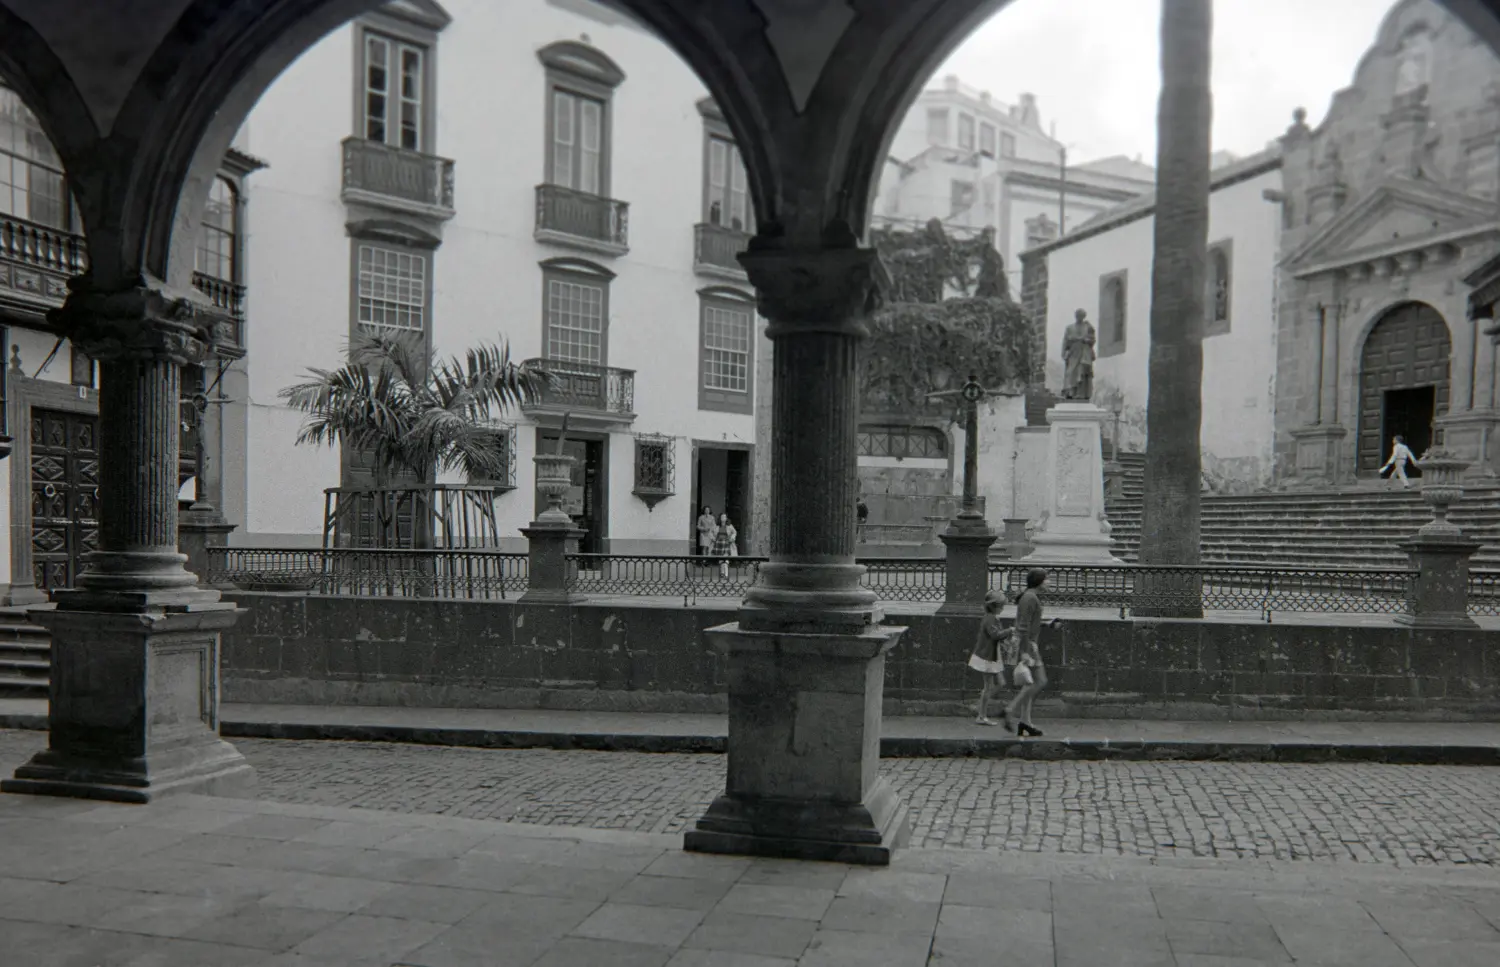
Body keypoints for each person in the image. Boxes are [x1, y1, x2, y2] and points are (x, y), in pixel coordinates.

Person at [1005, 568, 1050, 738]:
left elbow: (1028, 622)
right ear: (1039, 581)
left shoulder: (1029, 597)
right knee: (1039, 681)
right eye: (1047, 579)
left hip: (1028, 644)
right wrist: (1025, 652)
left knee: (1029, 683)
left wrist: (1047, 624)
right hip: (1028, 646)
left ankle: (1025, 722)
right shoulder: (1031, 598)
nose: (1049, 582)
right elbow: (1022, 626)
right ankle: (1011, 709)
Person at [968, 589, 1017, 726]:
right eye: (1001, 606)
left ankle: (979, 705)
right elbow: (995, 635)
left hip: (993, 654)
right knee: (989, 686)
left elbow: (997, 636)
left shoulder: (993, 617)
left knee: (1000, 683)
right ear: (994, 606)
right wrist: (1010, 631)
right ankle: (981, 715)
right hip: (987, 657)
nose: (1002, 609)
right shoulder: (989, 618)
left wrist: (1007, 640)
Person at [711, 513, 738, 577]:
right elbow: (710, 532)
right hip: (718, 543)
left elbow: (734, 532)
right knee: (720, 559)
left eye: (724, 517)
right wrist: (713, 538)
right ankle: (722, 573)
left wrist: (732, 538)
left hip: (727, 543)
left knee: (726, 558)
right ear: (720, 518)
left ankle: (726, 574)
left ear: (726, 518)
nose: (723, 518)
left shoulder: (730, 526)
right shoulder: (716, 526)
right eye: (722, 517)